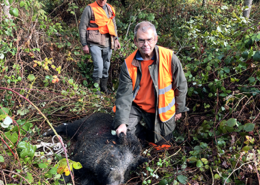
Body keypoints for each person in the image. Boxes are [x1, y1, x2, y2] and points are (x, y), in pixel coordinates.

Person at [113, 21, 188, 145]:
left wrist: (179, 109)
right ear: (135, 41)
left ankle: (151, 134)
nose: (145, 44)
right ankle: (140, 132)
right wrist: (121, 123)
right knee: (123, 134)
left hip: (161, 109)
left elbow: (181, 85)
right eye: (141, 40)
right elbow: (124, 95)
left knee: (163, 144)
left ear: (156, 39)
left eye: (149, 39)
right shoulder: (128, 64)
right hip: (137, 107)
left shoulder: (169, 58)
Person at [79, 0, 121, 94]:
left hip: (108, 42)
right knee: (99, 66)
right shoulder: (89, 8)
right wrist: (84, 44)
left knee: (106, 66)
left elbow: (113, 25)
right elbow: (82, 27)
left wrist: (116, 39)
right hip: (94, 42)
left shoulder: (110, 8)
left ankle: (104, 88)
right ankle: (96, 89)